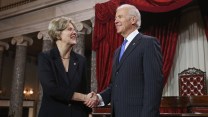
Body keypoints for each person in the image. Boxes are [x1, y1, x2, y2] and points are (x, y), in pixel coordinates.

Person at [86, 4, 164, 117]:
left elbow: (153, 85)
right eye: (115, 18)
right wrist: (99, 97)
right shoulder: (118, 51)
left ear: (133, 20)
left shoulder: (148, 43)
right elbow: (116, 85)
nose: (116, 21)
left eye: (120, 17)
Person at [38, 17, 94, 117]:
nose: (75, 33)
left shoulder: (81, 60)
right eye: (69, 29)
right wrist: (83, 97)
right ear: (57, 33)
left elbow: (85, 89)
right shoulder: (46, 58)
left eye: (75, 30)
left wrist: (89, 106)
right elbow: (51, 89)